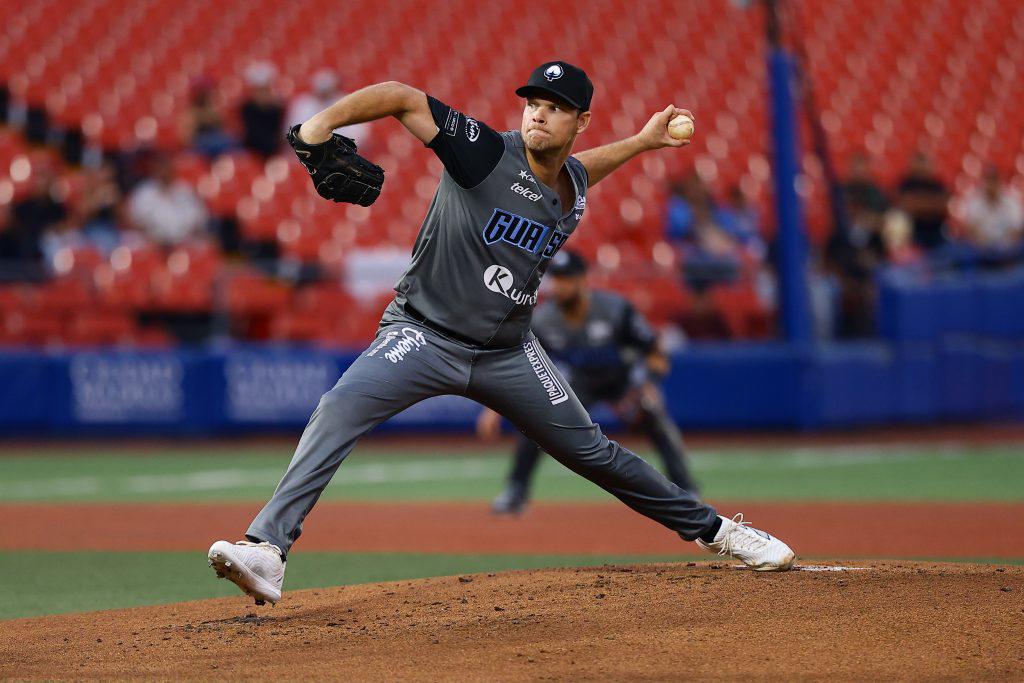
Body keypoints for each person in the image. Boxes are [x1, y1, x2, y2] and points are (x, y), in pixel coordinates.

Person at [208, 62, 796, 606]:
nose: (538, 113)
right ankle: (268, 548)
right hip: (424, 334)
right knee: (339, 407)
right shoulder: (484, 154)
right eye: (533, 102)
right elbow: (399, 97)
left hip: (508, 352)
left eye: (555, 107)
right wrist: (315, 127)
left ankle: (719, 531)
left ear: (580, 120)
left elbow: (582, 170)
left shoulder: (571, 182)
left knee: (595, 453)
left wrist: (644, 143)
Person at [478, 249, 700, 515]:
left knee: (653, 415)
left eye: (567, 279)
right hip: (578, 385)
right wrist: (492, 411)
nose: (560, 286)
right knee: (537, 422)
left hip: (622, 383)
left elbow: (655, 352)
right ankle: (516, 490)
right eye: (556, 279)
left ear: (583, 280)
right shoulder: (544, 319)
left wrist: (648, 384)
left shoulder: (616, 310)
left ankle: (688, 492)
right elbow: (518, 363)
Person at [126, 153, 208, 246]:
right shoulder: (143, 193)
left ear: (171, 168)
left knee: (203, 245)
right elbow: (134, 221)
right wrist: (152, 238)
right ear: (153, 170)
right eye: (159, 167)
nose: (162, 171)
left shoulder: (185, 190)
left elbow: (198, 219)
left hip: (185, 241)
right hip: (152, 241)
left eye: (165, 167)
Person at [286, 70, 370, 149]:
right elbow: (293, 131)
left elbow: (359, 135)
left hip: (341, 151)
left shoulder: (348, 101)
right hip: (308, 151)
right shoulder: (303, 103)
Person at [960, 165, 1023, 255]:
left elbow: (1017, 229)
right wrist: (984, 244)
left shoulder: (1010, 200)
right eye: (988, 180)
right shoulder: (974, 202)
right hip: (982, 251)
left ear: (999, 181)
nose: (991, 185)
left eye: (994, 180)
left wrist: (1005, 245)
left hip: (1009, 250)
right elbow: (972, 229)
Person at [896, 151, 950, 251]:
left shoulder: (937, 184)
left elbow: (943, 206)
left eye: (924, 163)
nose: (921, 167)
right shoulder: (906, 183)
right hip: (912, 230)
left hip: (936, 230)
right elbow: (906, 206)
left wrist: (919, 204)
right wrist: (930, 205)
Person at [239, 62, 285, 158]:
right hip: (252, 149)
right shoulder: (247, 108)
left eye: (265, 90)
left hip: (273, 149)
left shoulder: (277, 109)